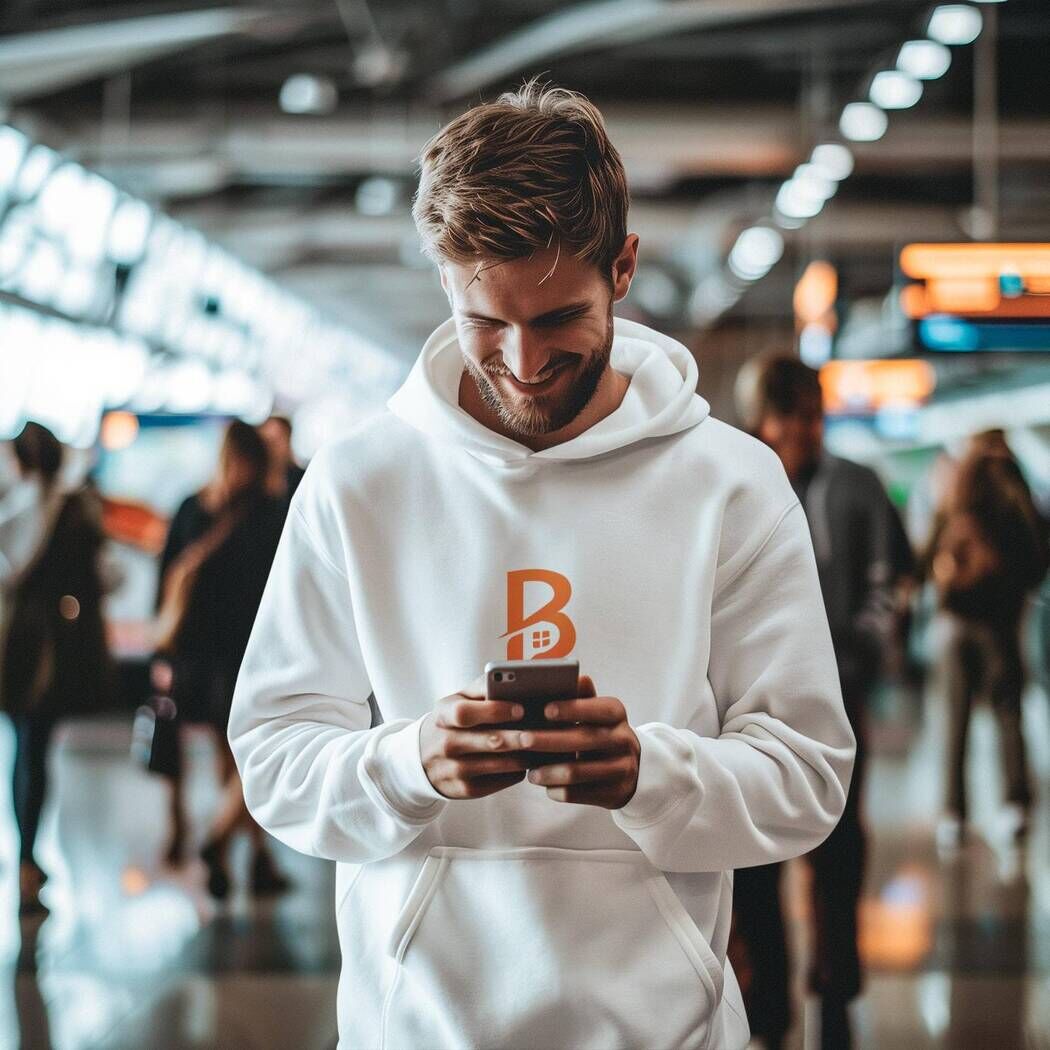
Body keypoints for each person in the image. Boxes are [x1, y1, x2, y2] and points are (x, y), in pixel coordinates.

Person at [229, 81, 854, 1049]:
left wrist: (651, 773)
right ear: (445, 281)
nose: (522, 362)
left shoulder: (731, 484)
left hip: (665, 1031)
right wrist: (407, 764)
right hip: (413, 1030)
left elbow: (807, 776)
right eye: (488, 322)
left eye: (560, 317)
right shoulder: (359, 484)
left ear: (625, 266)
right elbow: (274, 757)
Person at [730, 356, 914, 1049]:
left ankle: (834, 993)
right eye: (787, 419)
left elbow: (887, 582)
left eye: (811, 417)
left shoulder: (857, 487)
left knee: (838, 856)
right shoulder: (736, 487)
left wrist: (854, 665)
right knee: (753, 862)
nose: (802, 432)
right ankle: (767, 1002)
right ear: (760, 423)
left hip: (836, 704)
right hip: (747, 714)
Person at [157, 421, 288, 897]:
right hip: (242, 657)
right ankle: (226, 845)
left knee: (234, 759)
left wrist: (161, 651)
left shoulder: (193, 509)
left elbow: (165, 579)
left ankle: (240, 854)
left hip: (199, 655)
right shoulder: (269, 514)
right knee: (248, 763)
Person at [0, 423, 112, 915]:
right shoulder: (77, 507)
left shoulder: (21, 506)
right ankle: (27, 858)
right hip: (60, 647)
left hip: (20, 645)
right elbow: (108, 573)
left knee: (26, 747)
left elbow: (10, 569)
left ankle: (25, 858)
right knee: (34, 748)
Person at [924, 431, 1048, 846]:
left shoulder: (957, 486)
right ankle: (1015, 805)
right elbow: (1037, 555)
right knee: (1008, 714)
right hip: (1000, 623)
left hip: (954, 623)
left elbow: (928, 553)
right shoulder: (1013, 485)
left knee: (953, 719)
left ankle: (953, 815)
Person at [258, 415, 304, 506]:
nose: (270, 447)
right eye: (266, 441)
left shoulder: (302, 480)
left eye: (276, 440)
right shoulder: (253, 481)